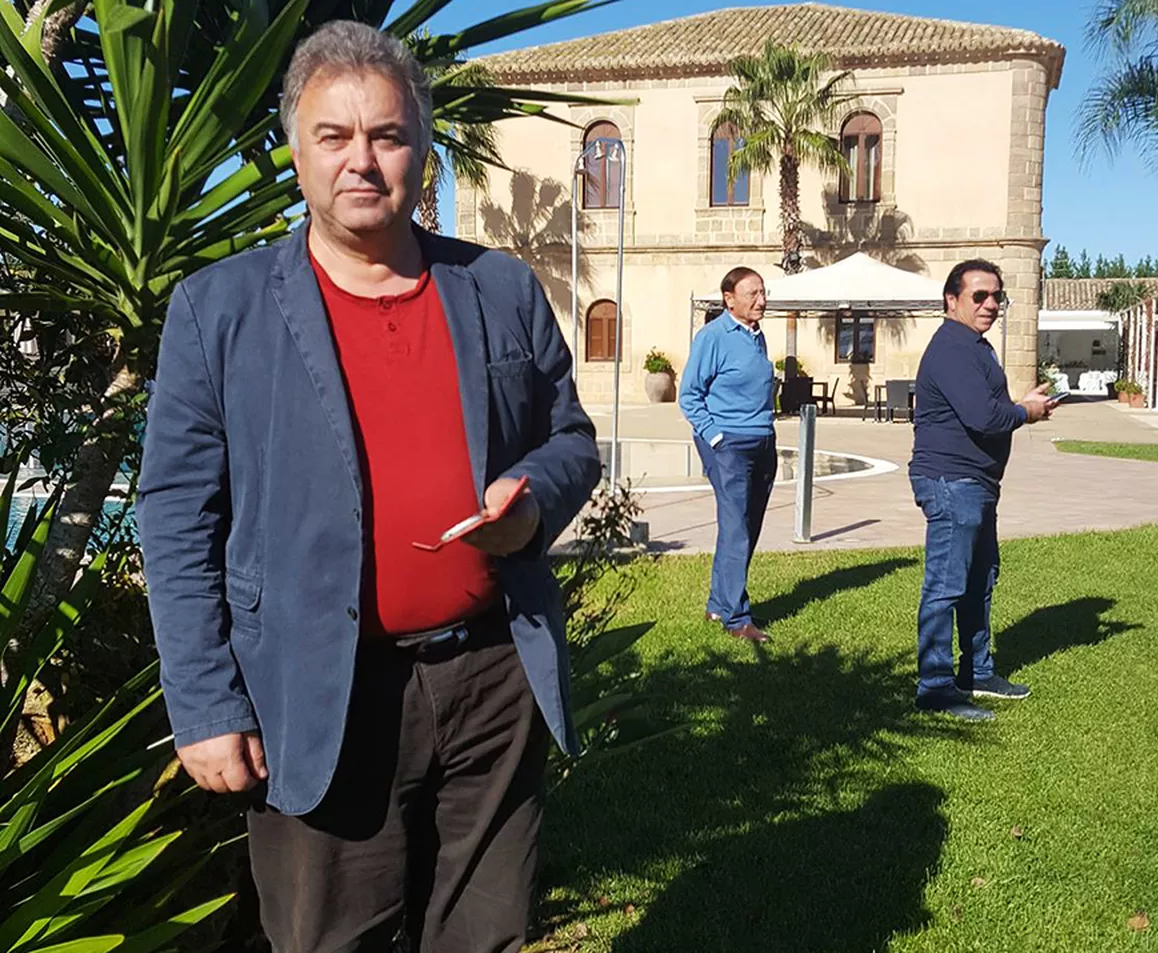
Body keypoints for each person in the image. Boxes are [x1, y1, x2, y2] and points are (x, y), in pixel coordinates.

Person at [136, 21, 600, 952]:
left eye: (387, 135)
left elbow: (572, 440)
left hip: (491, 675)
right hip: (320, 688)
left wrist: (531, 501)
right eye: (334, 136)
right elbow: (177, 513)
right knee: (328, 939)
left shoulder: (499, 288)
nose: (362, 160)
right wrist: (207, 704)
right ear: (295, 152)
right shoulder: (220, 310)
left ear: (421, 149)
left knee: (484, 932)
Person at [908, 259, 1056, 721]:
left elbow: (986, 408)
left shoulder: (975, 346)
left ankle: (977, 671)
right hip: (952, 482)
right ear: (952, 300)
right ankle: (935, 687)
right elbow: (984, 417)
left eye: (997, 296)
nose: (990, 304)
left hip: (976, 482)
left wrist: (1022, 405)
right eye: (979, 296)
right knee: (947, 585)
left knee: (979, 579)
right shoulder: (953, 348)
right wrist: (1025, 412)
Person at [679, 267, 776, 643]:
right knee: (736, 527)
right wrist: (716, 436)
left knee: (747, 526)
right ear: (729, 299)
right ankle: (737, 619)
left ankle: (719, 603)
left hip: (762, 442)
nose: (761, 301)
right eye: (753, 294)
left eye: (763, 293)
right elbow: (689, 395)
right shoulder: (712, 337)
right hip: (728, 445)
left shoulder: (756, 335)